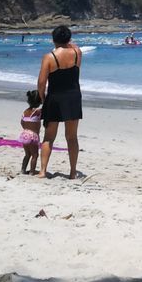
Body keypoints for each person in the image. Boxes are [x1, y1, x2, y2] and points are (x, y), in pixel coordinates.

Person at [38, 25, 82, 179]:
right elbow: (74, 46)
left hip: (55, 97)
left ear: (53, 39)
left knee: (49, 137)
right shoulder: (77, 53)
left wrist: (43, 98)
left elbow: (41, 83)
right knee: (72, 137)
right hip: (73, 97)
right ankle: (72, 172)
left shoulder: (49, 57)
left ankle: (43, 171)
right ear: (69, 39)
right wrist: (69, 43)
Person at [19, 89, 43, 175]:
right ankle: (32, 171)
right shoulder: (38, 112)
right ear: (40, 101)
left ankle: (23, 169)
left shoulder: (25, 112)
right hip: (33, 136)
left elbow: (22, 122)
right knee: (35, 155)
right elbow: (46, 108)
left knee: (27, 154)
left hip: (24, 134)